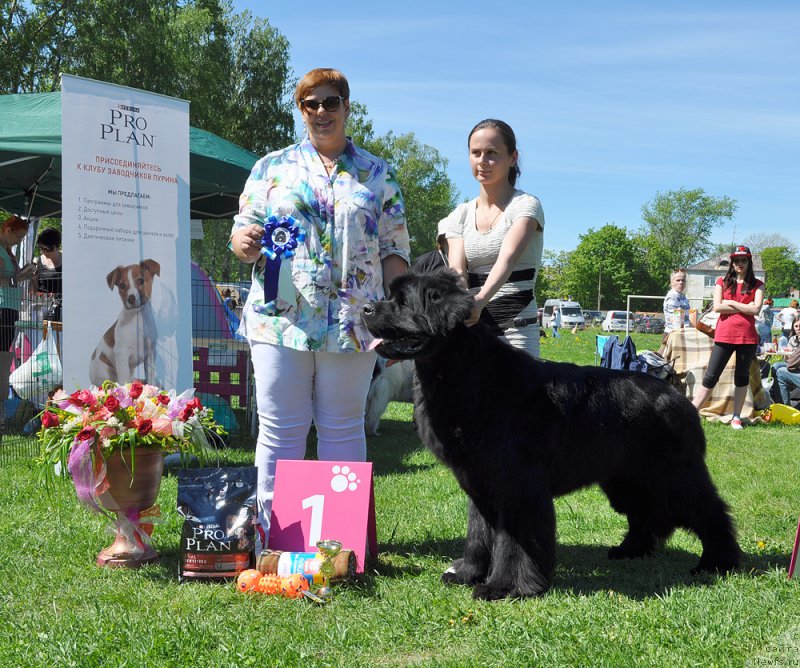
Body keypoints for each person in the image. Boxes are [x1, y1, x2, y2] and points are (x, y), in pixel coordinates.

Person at [229, 68, 410, 537]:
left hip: (353, 321)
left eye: (331, 102)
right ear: (301, 110)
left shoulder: (377, 173)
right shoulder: (271, 167)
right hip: (279, 319)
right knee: (280, 429)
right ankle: (273, 538)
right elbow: (242, 230)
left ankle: (340, 542)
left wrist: (401, 313)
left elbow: (394, 248)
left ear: (347, 107)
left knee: (343, 427)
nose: (321, 111)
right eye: (311, 104)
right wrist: (244, 242)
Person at [441, 119, 545, 356]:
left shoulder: (526, 206)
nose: (482, 161)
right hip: (473, 333)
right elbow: (457, 271)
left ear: (513, 157)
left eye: (492, 153)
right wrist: (465, 304)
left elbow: (507, 258)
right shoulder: (459, 215)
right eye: (476, 153)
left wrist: (480, 300)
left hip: (517, 333)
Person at [691, 245, 764, 430]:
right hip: (724, 335)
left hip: (747, 337)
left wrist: (730, 302)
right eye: (736, 260)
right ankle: (691, 413)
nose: (740, 263)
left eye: (743, 260)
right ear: (732, 262)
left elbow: (756, 309)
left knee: (742, 377)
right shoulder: (721, 282)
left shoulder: (757, 285)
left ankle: (736, 417)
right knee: (711, 376)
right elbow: (717, 307)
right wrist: (744, 307)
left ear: (749, 262)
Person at [0, 215, 34, 432]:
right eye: (18, 237)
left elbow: (10, 279)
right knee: (2, 362)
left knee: (4, 362)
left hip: (9, 310)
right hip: (2, 309)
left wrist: (23, 273)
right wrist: (18, 278)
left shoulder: (8, 251)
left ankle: (2, 415)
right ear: (7, 230)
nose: (19, 241)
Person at [32, 227, 62, 321]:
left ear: (56, 246)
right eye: (41, 248)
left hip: (62, 309)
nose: (44, 252)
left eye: (47, 249)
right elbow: (33, 290)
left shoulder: (68, 260)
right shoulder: (37, 261)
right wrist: (33, 279)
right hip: (42, 306)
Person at [771, 318, 800, 405]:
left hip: (795, 365)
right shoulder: (793, 339)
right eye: (796, 326)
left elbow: (791, 365)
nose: (798, 328)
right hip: (795, 364)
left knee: (780, 372)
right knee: (776, 366)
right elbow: (787, 359)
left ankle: (785, 406)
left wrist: (792, 357)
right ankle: (777, 396)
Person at [663, 268, 692, 334]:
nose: (681, 283)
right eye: (678, 280)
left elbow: (685, 316)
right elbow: (675, 319)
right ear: (672, 282)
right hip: (673, 333)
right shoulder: (672, 296)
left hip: (681, 332)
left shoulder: (682, 296)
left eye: (683, 280)